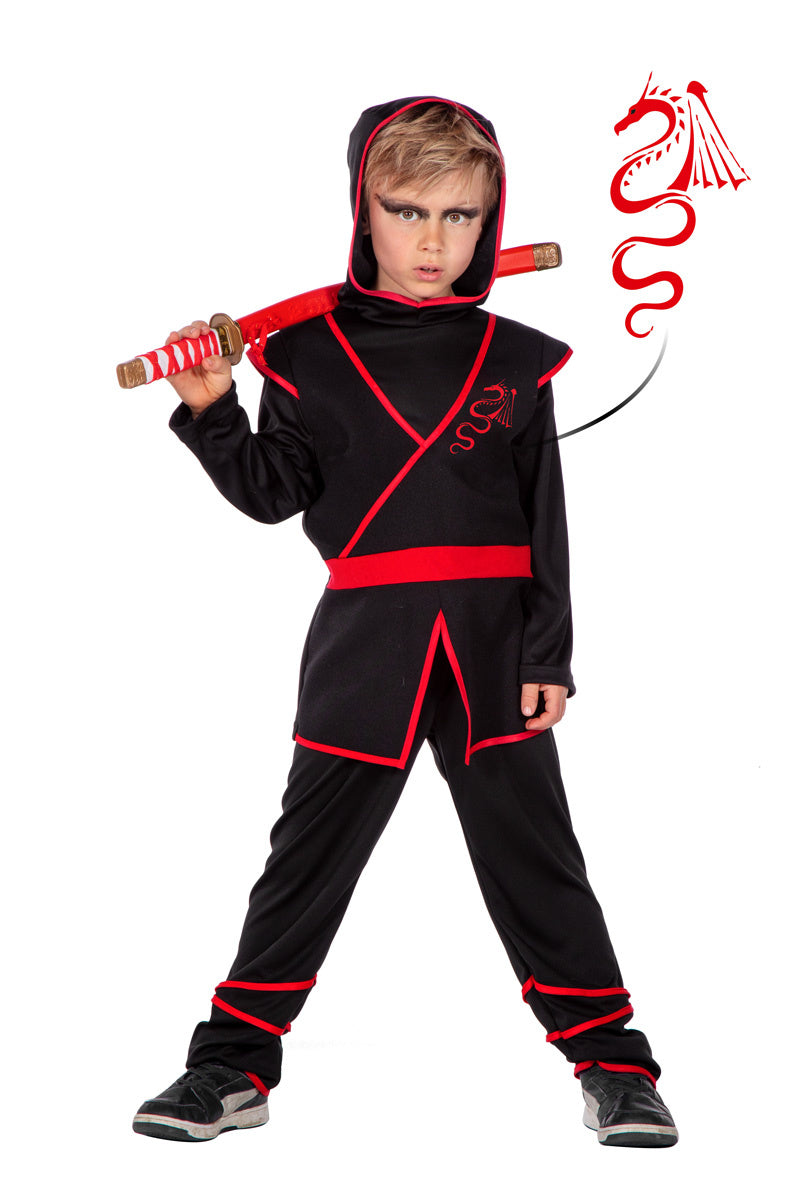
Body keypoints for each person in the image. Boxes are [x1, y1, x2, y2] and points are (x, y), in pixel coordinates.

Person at [133, 96, 678, 1148]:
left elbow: (544, 522)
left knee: (537, 859)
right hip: (364, 644)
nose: (434, 241)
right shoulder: (303, 355)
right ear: (362, 210)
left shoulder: (515, 360)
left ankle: (616, 1067)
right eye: (407, 211)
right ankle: (231, 1066)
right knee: (305, 860)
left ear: (489, 219)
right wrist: (213, 407)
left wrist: (548, 653)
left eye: (459, 216)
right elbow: (272, 494)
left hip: (492, 649)